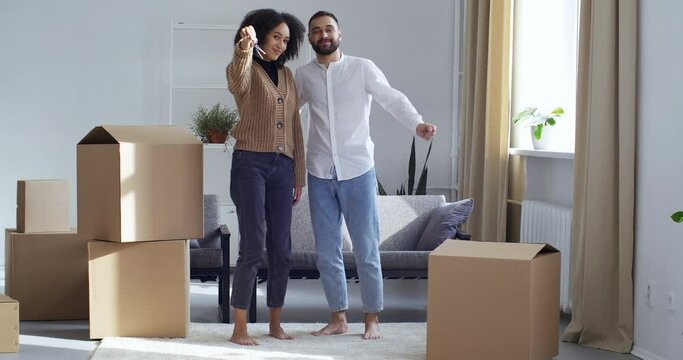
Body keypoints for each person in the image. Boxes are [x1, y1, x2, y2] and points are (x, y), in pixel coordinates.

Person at [294, 11, 437, 340]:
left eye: (329, 29)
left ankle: (372, 318)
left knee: (366, 248)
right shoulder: (302, 76)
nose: (323, 35)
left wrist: (417, 124)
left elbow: (391, 99)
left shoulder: (362, 68)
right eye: (316, 31)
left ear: (340, 34)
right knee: (327, 251)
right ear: (311, 39)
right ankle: (338, 318)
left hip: (357, 169)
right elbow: (287, 114)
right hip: (318, 172)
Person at [226, 8, 306, 346]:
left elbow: (295, 127)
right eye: (276, 36)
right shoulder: (243, 67)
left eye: (286, 40)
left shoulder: (287, 76)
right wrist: (245, 48)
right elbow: (236, 83)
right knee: (254, 243)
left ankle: (275, 323)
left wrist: (298, 175)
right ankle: (239, 327)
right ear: (261, 34)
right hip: (250, 163)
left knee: (281, 247)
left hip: (282, 167)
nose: (281, 44)